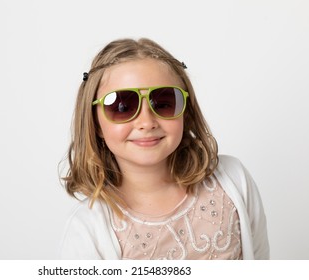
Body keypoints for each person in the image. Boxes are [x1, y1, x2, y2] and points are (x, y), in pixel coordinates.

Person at [59, 38, 269, 260]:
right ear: (95, 123)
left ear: (185, 112)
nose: (147, 122)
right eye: (122, 106)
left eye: (163, 102)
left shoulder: (233, 180)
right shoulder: (86, 230)